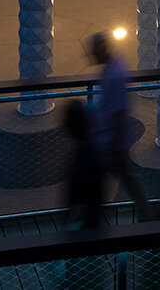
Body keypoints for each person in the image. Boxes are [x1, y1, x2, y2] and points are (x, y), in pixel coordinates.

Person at [89, 31, 151, 221]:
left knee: (112, 179)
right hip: (112, 140)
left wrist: (112, 144)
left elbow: (117, 111)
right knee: (127, 178)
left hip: (112, 141)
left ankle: (146, 216)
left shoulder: (114, 73)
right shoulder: (112, 68)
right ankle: (146, 214)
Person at [63, 97, 102, 230]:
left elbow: (79, 204)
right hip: (92, 222)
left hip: (81, 229)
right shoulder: (94, 153)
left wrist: (70, 224)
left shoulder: (80, 162)